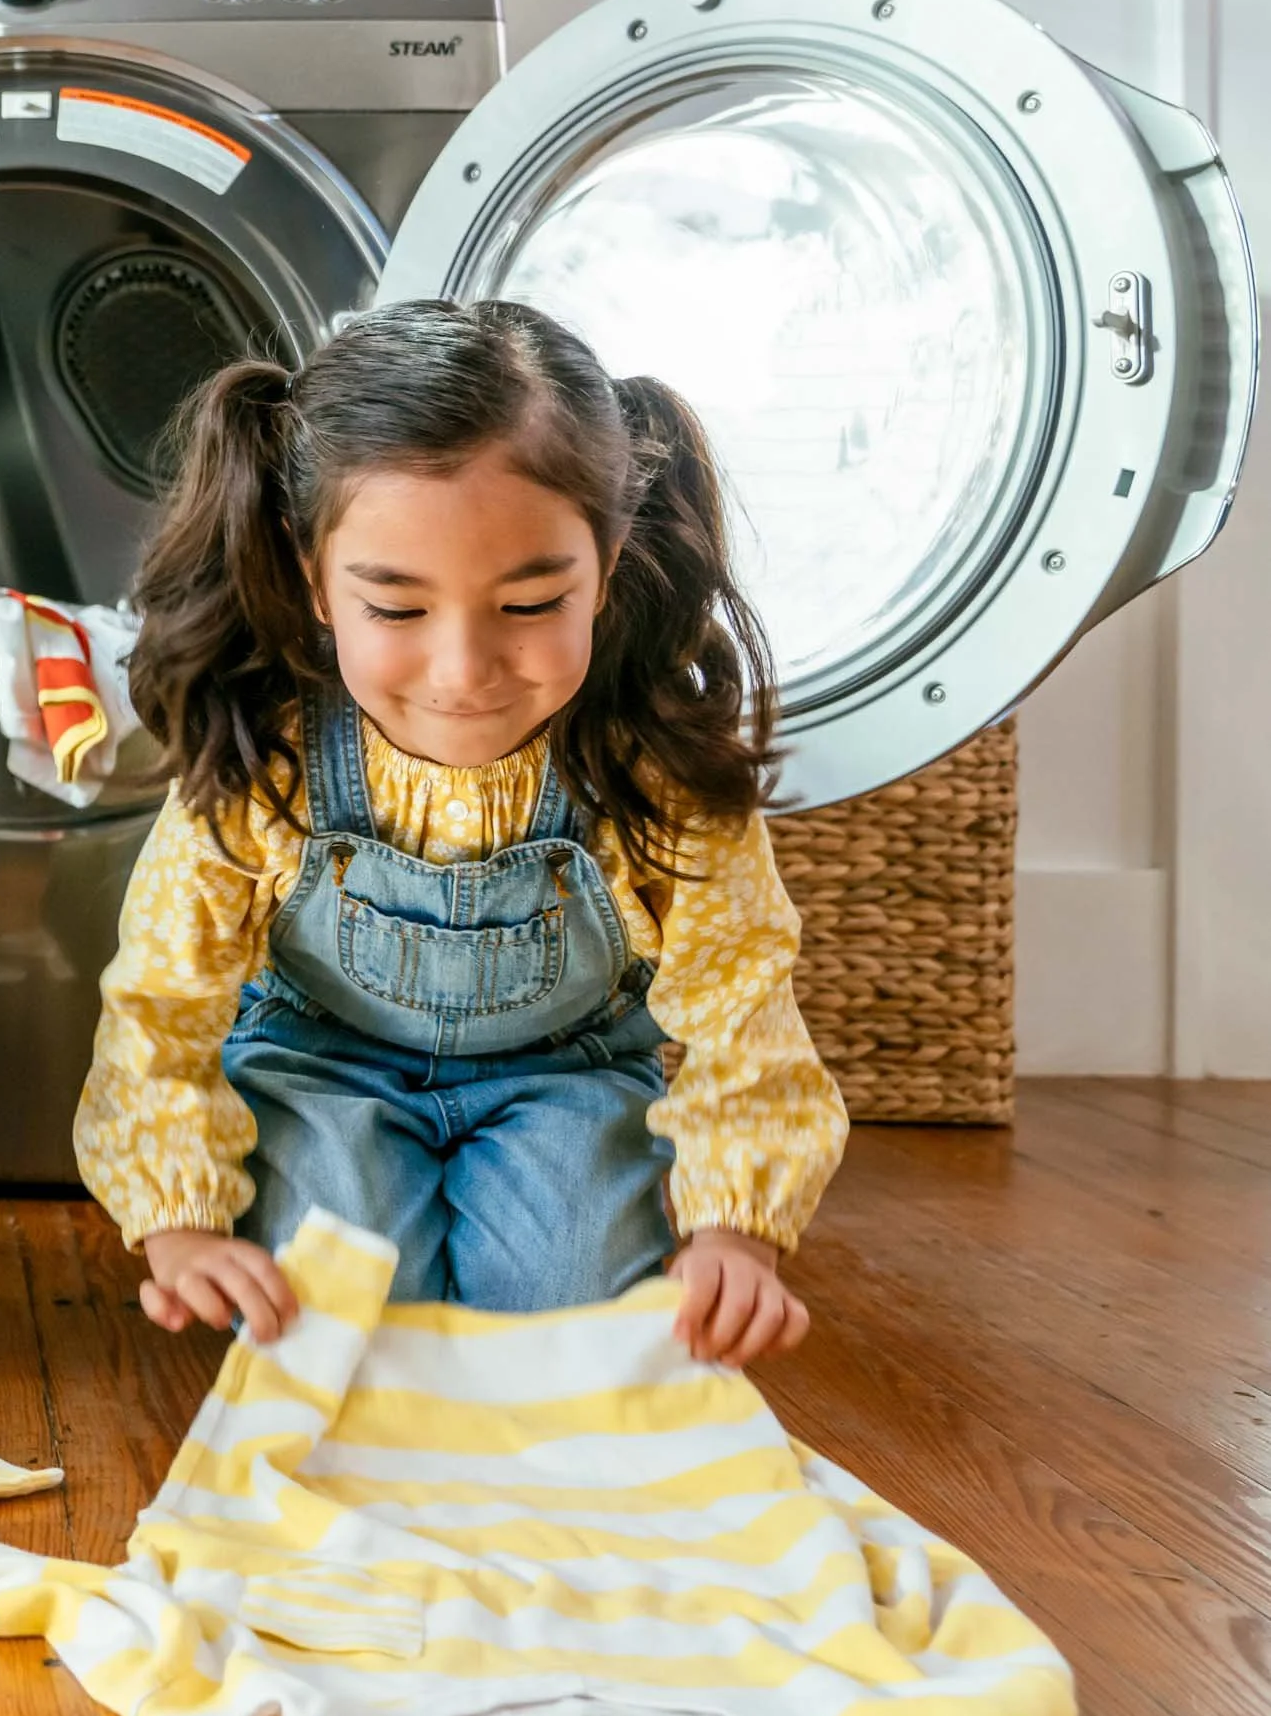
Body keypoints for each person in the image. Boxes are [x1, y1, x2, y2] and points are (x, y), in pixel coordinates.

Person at [74, 299, 846, 1368]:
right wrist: (180, 1220)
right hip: (316, 1069)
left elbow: (742, 1005)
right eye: (396, 610)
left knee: (570, 1325)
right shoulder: (271, 757)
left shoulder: (651, 766)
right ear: (312, 578)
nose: (462, 672)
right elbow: (162, 1004)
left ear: (608, 561)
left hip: (568, 1077)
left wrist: (735, 1231)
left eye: (530, 605)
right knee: (336, 1318)